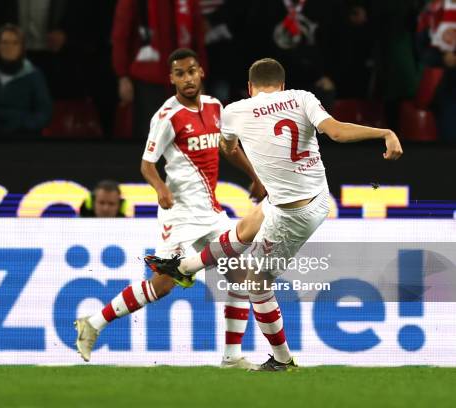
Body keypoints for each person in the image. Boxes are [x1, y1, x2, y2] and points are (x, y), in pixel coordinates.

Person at [145, 57, 403, 371]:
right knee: (246, 228)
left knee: (256, 281)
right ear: (282, 84)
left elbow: (227, 148)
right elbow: (335, 132)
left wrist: (239, 148)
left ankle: (282, 360)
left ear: (250, 87)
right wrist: (384, 132)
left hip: (292, 215)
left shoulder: (234, 111)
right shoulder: (303, 98)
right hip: (316, 196)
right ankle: (184, 267)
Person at [75, 48, 265, 369]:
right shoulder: (167, 116)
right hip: (179, 216)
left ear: (201, 72)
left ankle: (232, 357)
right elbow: (147, 164)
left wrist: (255, 177)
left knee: (240, 277)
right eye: (180, 74)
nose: (187, 79)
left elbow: (228, 148)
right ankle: (93, 323)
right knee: (162, 285)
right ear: (171, 79)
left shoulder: (217, 107)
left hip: (211, 212)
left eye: (191, 71)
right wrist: (161, 188)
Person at [112, 0, 208, 139]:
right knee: (153, 140)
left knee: (185, 139)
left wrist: (199, 76)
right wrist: (123, 76)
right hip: (148, 81)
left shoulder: (188, 2)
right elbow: (121, 36)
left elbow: (196, 38)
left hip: (182, 80)